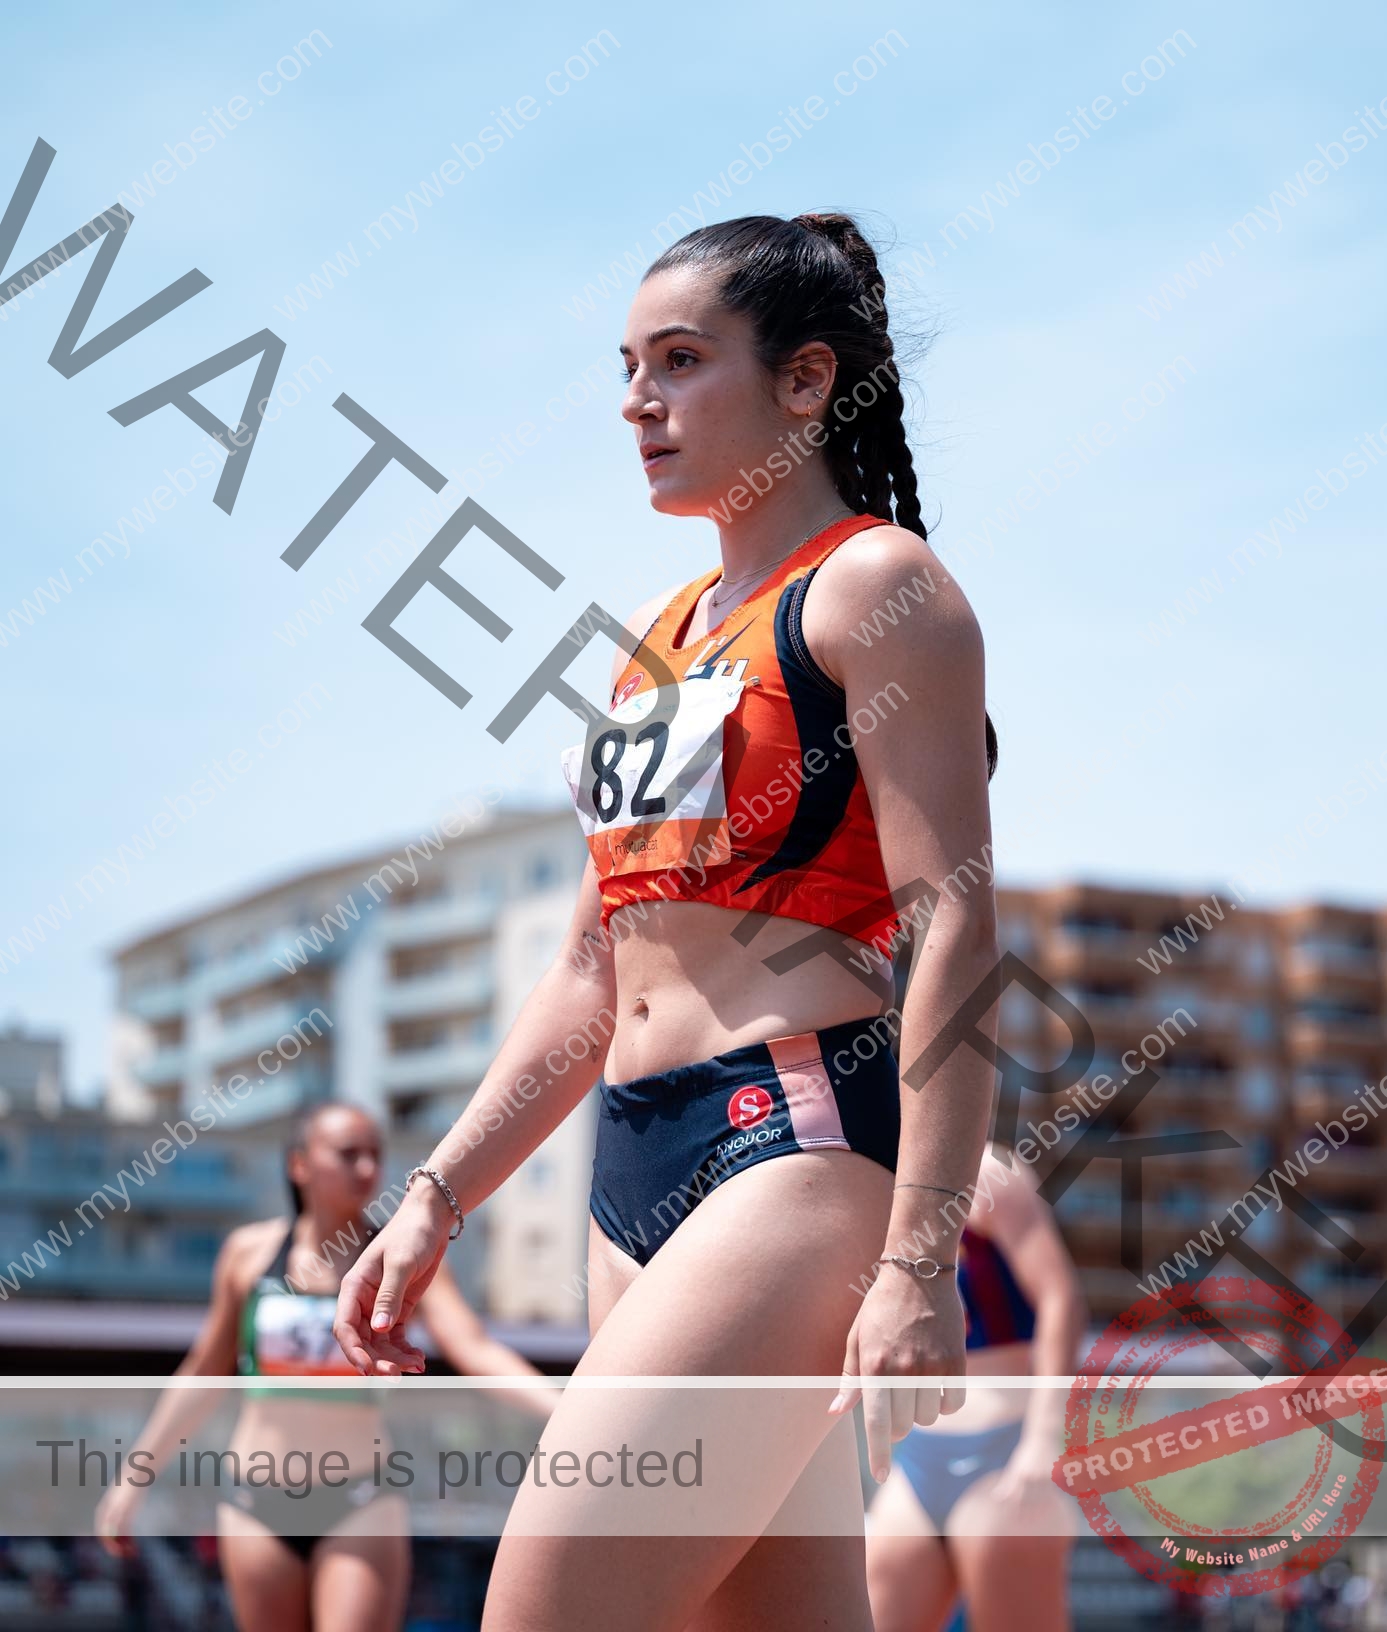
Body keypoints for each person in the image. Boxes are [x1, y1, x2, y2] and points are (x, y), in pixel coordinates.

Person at [334, 211, 1002, 1631]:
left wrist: (920, 1261)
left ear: (806, 381)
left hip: (795, 1148)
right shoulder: (658, 636)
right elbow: (593, 967)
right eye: (627, 366)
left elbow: (954, 933)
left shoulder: (878, 588)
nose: (637, 401)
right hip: (629, 1173)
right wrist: (438, 1195)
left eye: (681, 361)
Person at [95, 1101, 553, 1632]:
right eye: (347, 1154)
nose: (367, 1169)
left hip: (360, 1499)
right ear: (299, 1164)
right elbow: (203, 1370)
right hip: (254, 1500)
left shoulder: (403, 1256)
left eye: (375, 1155)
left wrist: (569, 1409)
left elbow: (473, 1347)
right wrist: (134, 1478)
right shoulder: (248, 1254)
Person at [866, 1145, 1088, 1632]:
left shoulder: (987, 1174)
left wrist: (1042, 1441)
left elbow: (1061, 1299)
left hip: (1005, 1452)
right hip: (921, 1457)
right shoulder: (875, 1176)